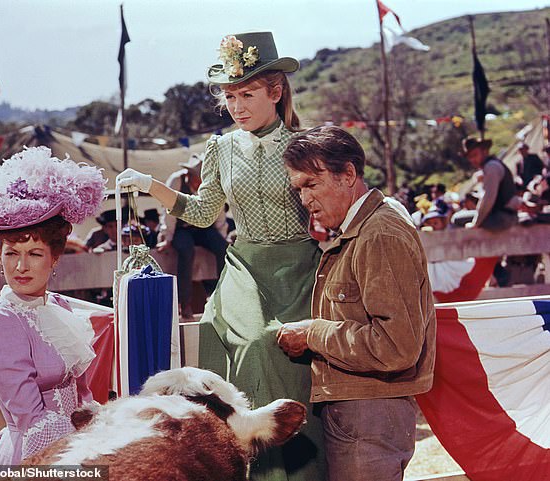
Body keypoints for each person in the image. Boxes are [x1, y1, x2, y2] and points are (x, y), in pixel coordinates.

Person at [117, 32, 325, 481]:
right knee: (219, 337)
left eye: (247, 94)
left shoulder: (305, 144)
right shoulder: (221, 147)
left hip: (301, 268)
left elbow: (330, 208)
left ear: (276, 91)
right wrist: (151, 185)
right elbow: (203, 211)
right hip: (245, 268)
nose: (237, 105)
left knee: (271, 350)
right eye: (230, 96)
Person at [277, 126, 436, 481]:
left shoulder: (378, 233)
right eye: (299, 189)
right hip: (365, 408)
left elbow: (397, 347)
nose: (305, 200)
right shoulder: (366, 226)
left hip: (370, 411)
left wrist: (314, 334)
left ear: (348, 174)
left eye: (312, 184)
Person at [0, 146, 106, 465]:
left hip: (76, 447)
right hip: (36, 455)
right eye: (11, 253)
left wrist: (102, 429)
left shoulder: (60, 307)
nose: (21, 266)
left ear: (54, 259)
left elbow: (82, 396)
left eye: (35, 254)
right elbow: (32, 421)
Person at [157, 154, 228, 319]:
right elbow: (169, 211)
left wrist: (222, 235)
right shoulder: (176, 181)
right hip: (181, 227)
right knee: (185, 249)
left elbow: (218, 211)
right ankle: (185, 302)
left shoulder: (212, 183)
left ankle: (220, 296)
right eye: (197, 179)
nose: (200, 184)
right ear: (189, 176)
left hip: (203, 226)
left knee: (222, 248)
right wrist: (167, 237)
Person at [460, 136, 520, 230]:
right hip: (502, 215)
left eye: (475, 155)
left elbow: (488, 199)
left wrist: (475, 224)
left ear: (485, 152)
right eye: (470, 157)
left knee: (457, 219)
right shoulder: (490, 166)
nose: (472, 160)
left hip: (503, 217)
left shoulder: (491, 167)